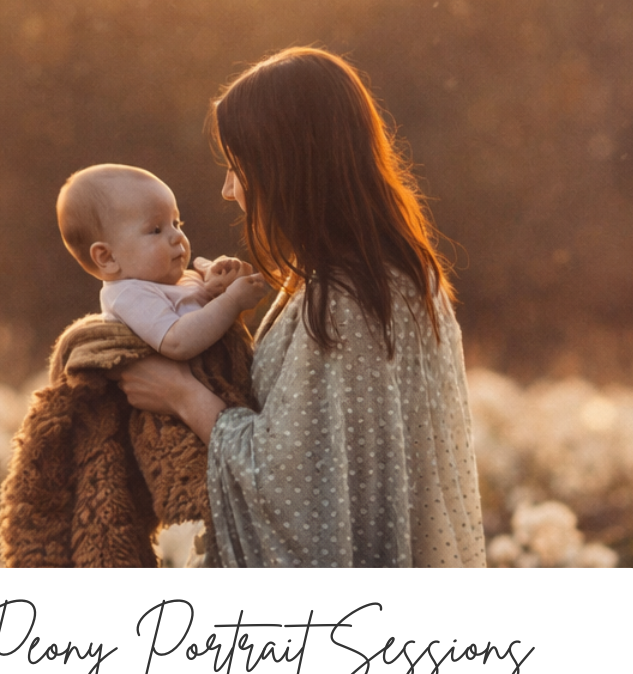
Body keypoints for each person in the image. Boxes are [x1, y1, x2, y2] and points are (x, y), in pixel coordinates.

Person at [116, 46, 487, 567]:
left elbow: (297, 494)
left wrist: (182, 395)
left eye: (238, 168)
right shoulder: (375, 277)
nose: (228, 190)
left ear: (289, 166)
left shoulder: (348, 298)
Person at [54, 162, 270, 360]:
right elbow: (178, 342)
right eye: (156, 229)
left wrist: (216, 287)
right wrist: (232, 301)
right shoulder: (128, 295)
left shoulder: (175, 281)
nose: (177, 236)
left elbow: (202, 312)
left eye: (176, 223)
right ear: (108, 258)